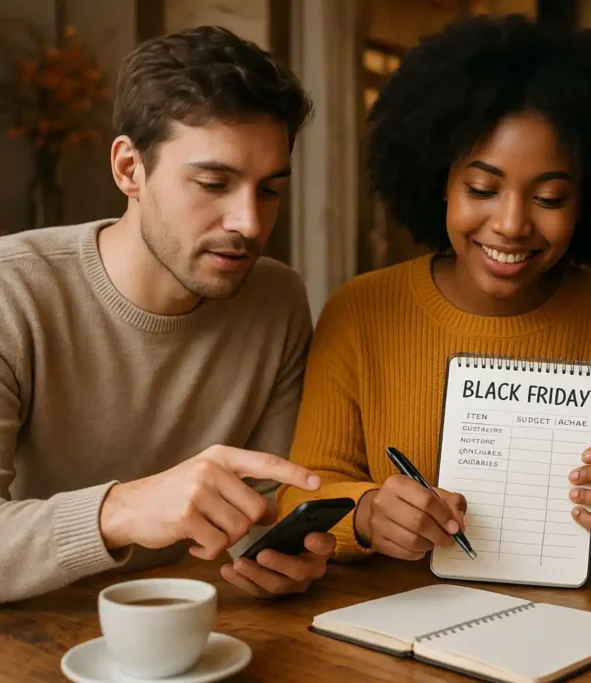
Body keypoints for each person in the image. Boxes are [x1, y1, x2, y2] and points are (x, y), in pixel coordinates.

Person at [275, 14, 591, 564]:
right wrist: (367, 514)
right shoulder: (361, 311)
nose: (512, 224)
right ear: (441, 180)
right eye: (483, 188)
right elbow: (301, 492)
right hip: (388, 627)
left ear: (590, 200)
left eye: (550, 198)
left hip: (569, 624)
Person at [0, 26, 333, 603]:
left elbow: (259, 512)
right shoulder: (14, 290)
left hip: (192, 621)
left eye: (270, 190)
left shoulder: (277, 298)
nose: (250, 224)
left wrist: (278, 557)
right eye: (213, 183)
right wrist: (121, 509)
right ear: (130, 169)